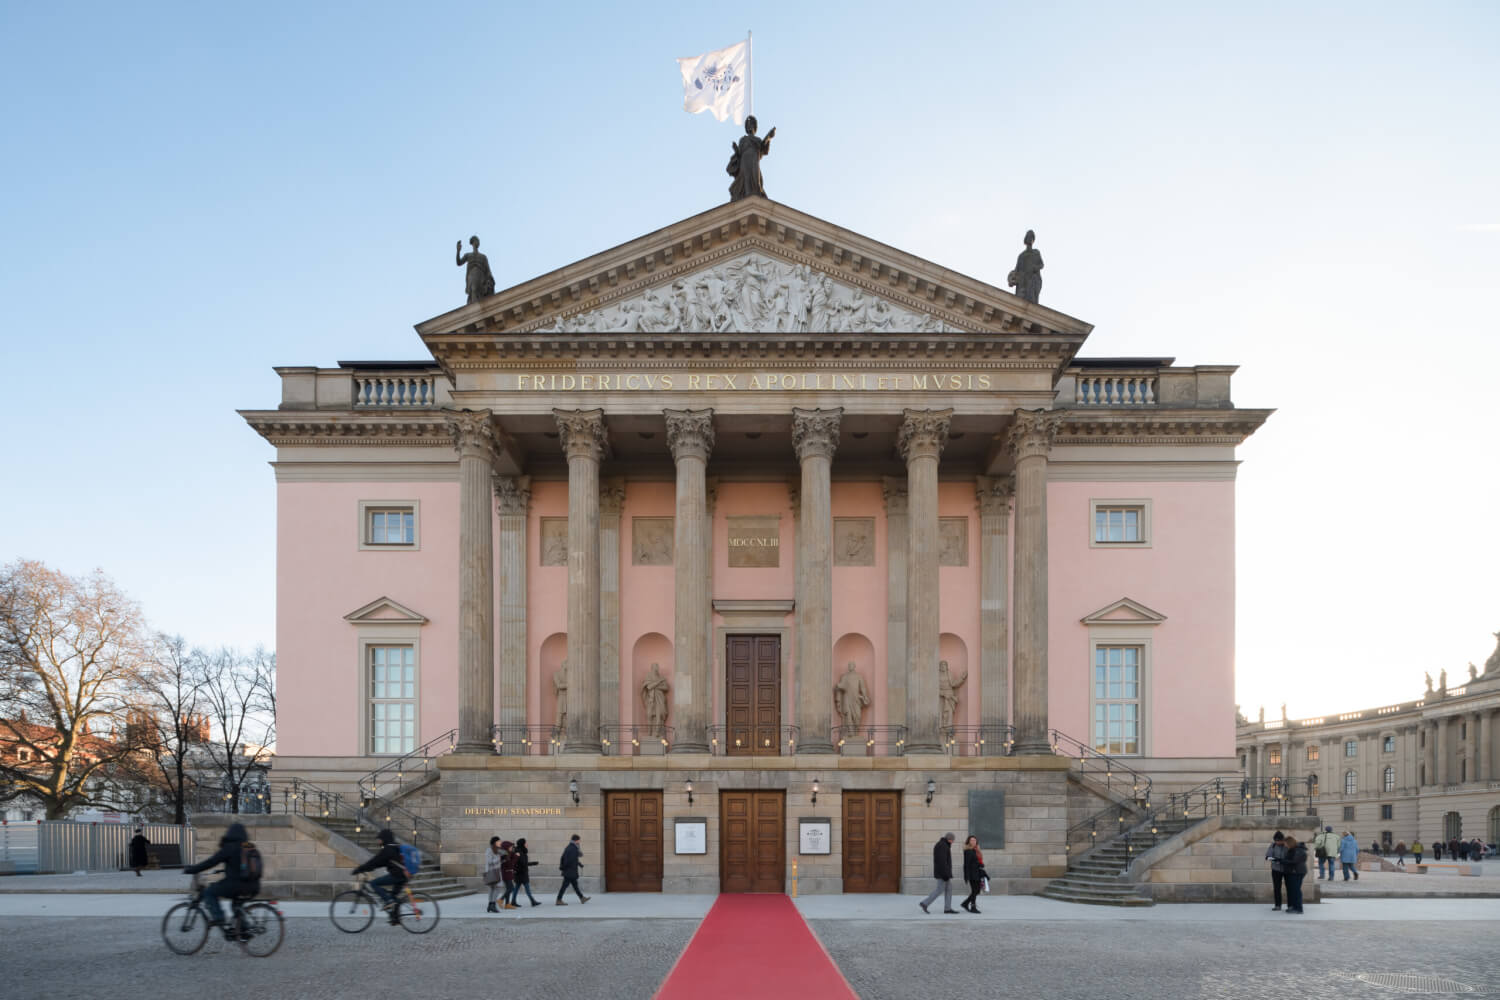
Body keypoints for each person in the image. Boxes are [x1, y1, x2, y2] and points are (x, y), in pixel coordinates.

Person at [182, 821, 260, 937]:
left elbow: (211, 862)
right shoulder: (249, 847)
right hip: (253, 886)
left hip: (237, 885)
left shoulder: (230, 847)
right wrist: (225, 870)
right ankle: (244, 932)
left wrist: (192, 869)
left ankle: (219, 918)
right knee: (236, 906)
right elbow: (241, 866)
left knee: (209, 892)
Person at [351, 828, 408, 925]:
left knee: (374, 883)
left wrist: (360, 869)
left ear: (385, 838)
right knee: (394, 897)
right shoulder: (395, 847)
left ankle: (388, 901)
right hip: (404, 875)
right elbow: (382, 862)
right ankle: (395, 918)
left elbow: (375, 861)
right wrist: (370, 868)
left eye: (380, 839)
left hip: (397, 875)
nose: (379, 841)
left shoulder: (387, 849)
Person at [726, 115, 776, 201]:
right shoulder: (743, 140)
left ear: (754, 127)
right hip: (744, 160)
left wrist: (769, 137)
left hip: (754, 159)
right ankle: (748, 195)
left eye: (751, 125)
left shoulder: (757, 139)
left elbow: (764, 149)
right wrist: (736, 149)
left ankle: (756, 195)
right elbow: (739, 154)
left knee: (755, 177)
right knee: (746, 176)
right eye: (748, 125)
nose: (749, 127)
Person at [918, 832, 959, 914]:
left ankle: (947, 908)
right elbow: (942, 862)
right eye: (953, 840)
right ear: (949, 839)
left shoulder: (944, 845)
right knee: (940, 889)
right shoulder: (942, 846)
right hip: (943, 873)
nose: (953, 842)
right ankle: (925, 903)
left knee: (949, 889)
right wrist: (945, 874)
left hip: (944, 872)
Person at [455, 236, 495, 304]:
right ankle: (474, 306)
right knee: (474, 289)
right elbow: (459, 262)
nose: (478, 243)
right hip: (472, 274)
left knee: (479, 291)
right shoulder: (468, 255)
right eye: (477, 241)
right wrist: (458, 251)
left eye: (478, 241)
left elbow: (488, 270)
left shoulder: (483, 257)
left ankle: (478, 306)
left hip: (481, 275)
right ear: (473, 242)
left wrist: (490, 280)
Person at [556, 833, 589, 905]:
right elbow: (569, 860)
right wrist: (566, 868)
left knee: (575, 885)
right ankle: (559, 900)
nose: (580, 841)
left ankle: (582, 898)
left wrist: (580, 864)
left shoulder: (570, 847)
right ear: (576, 840)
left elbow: (573, 859)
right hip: (570, 871)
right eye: (579, 840)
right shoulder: (573, 848)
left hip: (570, 871)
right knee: (564, 886)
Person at [960, 835, 987, 914]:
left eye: (974, 840)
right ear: (968, 842)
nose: (973, 842)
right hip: (972, 874)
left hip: (977, 873)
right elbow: (966, 864)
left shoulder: (976, 850)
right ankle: (972, 907)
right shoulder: (968, 851)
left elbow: (978, 861)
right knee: (975, 890)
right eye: (971, 840)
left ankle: (965, 904)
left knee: (977, 890)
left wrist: (980, 864)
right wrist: (966, 876)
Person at [510, 837, 541, 906]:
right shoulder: (520, 852)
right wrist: (533, 863)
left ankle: (513, 901)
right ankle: (533, 901)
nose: (527, 844)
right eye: (525, 843)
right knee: (527, 889)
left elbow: (522, 863)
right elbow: (523, 863)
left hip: (519, 873)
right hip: (522, 873)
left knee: (517, 888)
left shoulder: (519, 851)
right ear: (522, 844)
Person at [1283, 835, 1308, 914]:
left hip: (1297, 872)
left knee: (1296, 891)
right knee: (1293, 890)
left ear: (1290, 843)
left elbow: (1295, 861)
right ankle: (1294, 907)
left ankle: (1299, 909)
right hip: (1294, 872)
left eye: (1286, 843)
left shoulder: (1299, 850)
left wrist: (1283, 861)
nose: (1285, 845)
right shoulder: (1293, 849)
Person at [1264, 831, 1287, 910]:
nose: (1277, 842)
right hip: (1275, 870)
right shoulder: (1273, 845)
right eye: (1275, 840)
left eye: (1278, 841)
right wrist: (1270, 858)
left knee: (1289, 888)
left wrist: (1281, 860)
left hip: (1286, 870)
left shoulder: (1287, 845)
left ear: (1282, 840)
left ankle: (1291, 905)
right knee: (1277, 888)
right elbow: (1268, 855)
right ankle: (1278, 905)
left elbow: (1290, 857)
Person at [484, 836, 507, 913]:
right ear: (495, 842)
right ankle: (492, 904)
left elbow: (497, 862)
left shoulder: (497, 850)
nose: (500, 843)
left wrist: (503, 860)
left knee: (493, 889)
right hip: (492, 872)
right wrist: (499, 859)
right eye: (499, 842)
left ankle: (490, 905)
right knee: (497, 889)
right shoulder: (489, 850)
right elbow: (490, 862)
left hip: (496, 871)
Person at [499, 840, 519, 909]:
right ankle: (501, 899)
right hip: (506, 873)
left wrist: (514, 854)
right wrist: (516, 857)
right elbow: (510, 864)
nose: (512, 848)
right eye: (510, 847)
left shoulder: (508, 854)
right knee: (511, 888)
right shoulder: (504, 855)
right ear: (506, 847)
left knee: (508, 889)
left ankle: (507, 904)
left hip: (508, 873)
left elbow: (512, 857)